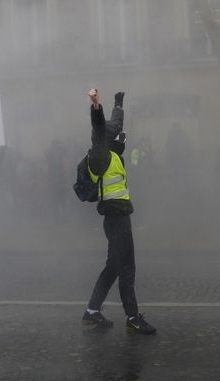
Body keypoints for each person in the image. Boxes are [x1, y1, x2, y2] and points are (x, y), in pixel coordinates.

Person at [81, 88, 156, 335]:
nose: (117, 137)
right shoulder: (100, 155)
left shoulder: (113, 153)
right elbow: (100, 128)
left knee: (113, 267)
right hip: (116, 219)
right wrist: (96, 107)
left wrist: (119, 105)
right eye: (113, 135)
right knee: (127, 268)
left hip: (118, 217)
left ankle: (92, 312)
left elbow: (119, 132)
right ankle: (133, 318)